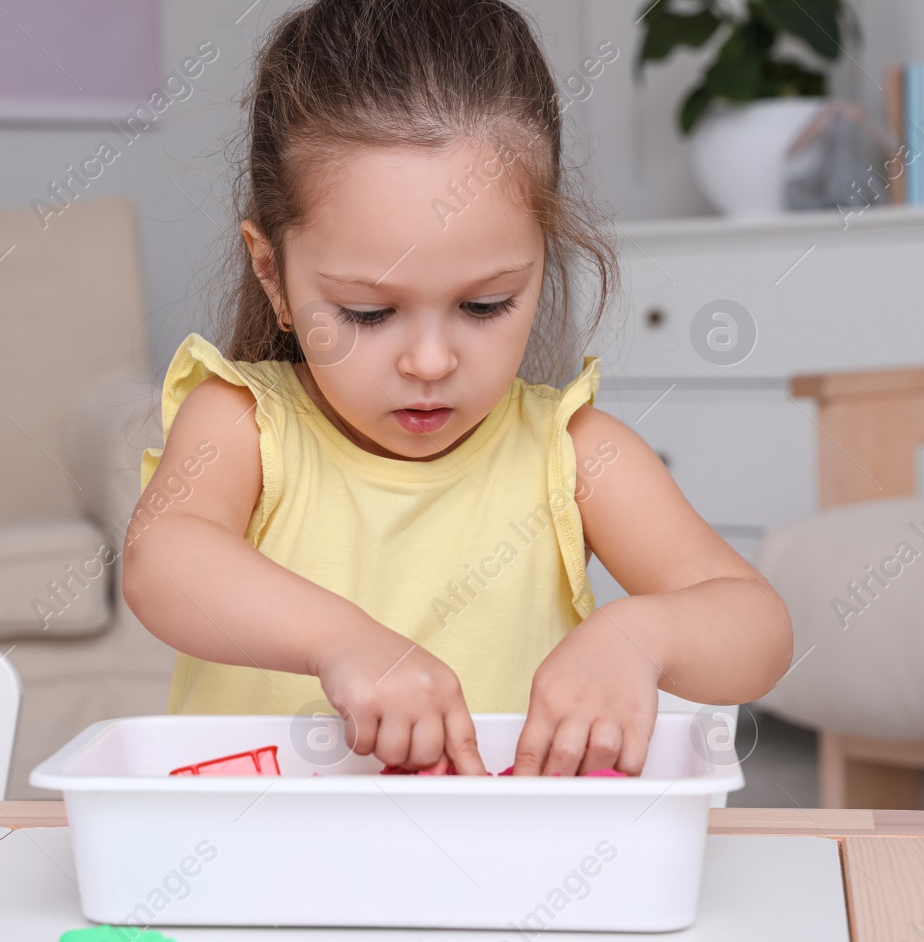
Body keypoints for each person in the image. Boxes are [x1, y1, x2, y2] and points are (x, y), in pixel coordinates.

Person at [122, 0, 792, 777]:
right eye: (369, 313)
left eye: (485, 305)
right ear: (273, 273)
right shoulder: (242, 425)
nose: (432, 361)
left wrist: (641, 636)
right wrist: (341, 640)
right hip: (253, 879)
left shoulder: (575, 454)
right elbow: (161, 561)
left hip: (505, 887)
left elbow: (759, 628)